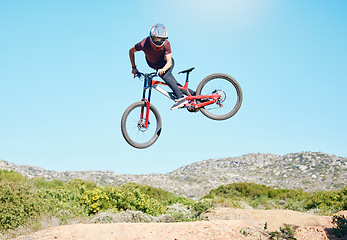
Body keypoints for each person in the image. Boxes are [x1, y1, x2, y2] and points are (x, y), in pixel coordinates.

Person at [129, 23, 190, 110]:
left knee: (165, 75)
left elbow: (169, 62)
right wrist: (134, 67)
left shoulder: (166, 44)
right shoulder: (143, 44)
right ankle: (195, 95)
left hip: (166, 65)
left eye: (161, 40)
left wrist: (163, 69)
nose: (158, 42)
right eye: (156, 39)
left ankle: (180, 98)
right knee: (174, 85)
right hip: (155, 66)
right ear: (151, 37)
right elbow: (131, 51)